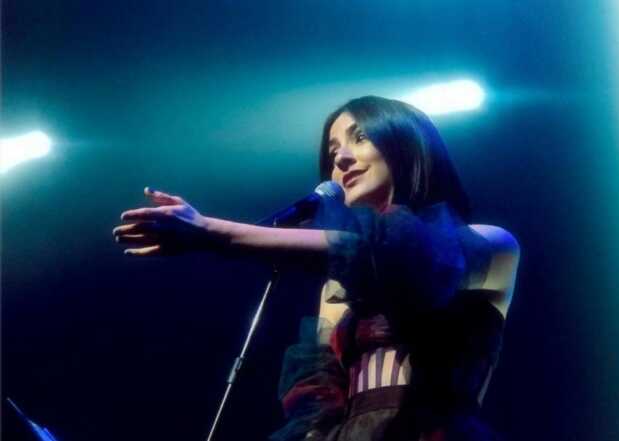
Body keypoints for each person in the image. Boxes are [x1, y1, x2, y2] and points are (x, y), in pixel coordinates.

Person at [113, 96, 520, 440]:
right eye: (332, 151)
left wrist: (212, 232)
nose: (340, 158)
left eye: (360, 137)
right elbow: (318, 409)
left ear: (406, 142)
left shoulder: (490, 244)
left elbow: (389, 256)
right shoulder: (337, 289)